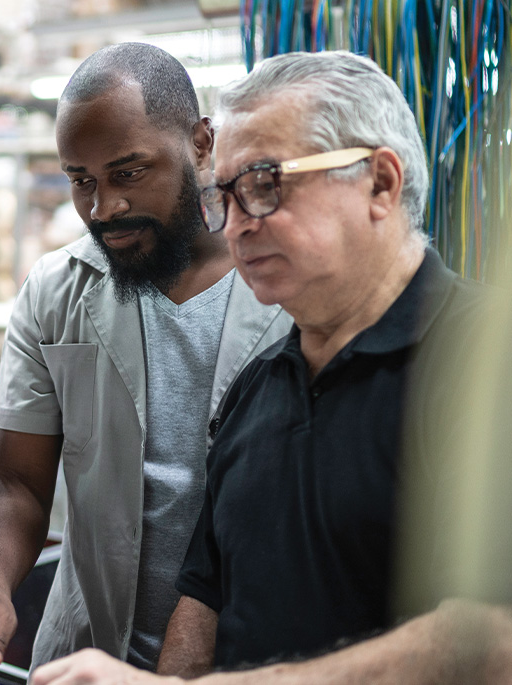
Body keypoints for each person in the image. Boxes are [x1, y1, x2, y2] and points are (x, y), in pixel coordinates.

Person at [29, 51, 512, 685]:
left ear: (380, 184)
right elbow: (206, 599)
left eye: (264, 185)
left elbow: (491, 639)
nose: (235, 226)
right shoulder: (259, 389)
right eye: (224, 197)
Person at [0, 42, 291, 672]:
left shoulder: (287, 285)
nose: (104, 209)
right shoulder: (56, 289)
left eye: (128, 173)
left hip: (254, 658)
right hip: (87, 654)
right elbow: (19, 480)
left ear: (202, 143)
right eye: (82, 181)